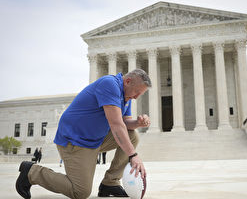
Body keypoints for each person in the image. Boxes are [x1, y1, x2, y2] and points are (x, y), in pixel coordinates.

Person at [16, 69, 152, 199]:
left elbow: (125, 123)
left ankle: (110, 183)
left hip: (95, 139)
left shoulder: (125, 97)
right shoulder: (109, 84)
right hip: (75, 141)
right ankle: (32, 172)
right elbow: (116, 125)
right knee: (80, 192)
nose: (136, 97)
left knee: (132, 135)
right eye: (136, 92)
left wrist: (138, 123)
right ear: (127, 81)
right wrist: (133, 155)